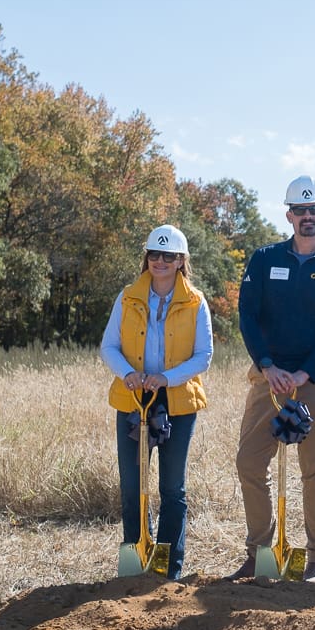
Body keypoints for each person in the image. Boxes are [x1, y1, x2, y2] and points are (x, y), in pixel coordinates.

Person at [226, 175, 315, 584]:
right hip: (269, 376)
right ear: (289, 215)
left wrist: (305, 372)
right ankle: (260, 555)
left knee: (314, 469)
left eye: (314, 209)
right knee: (250, 462)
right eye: (300, 210)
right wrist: (268, 366)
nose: (307, 216)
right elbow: (248, 315)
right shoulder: (264, 259)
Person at [100, 224, 213, 581]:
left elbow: (204, 356)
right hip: (133, 397)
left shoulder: (196, 301)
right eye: (154, 254)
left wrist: (166, 378)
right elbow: (108, 346)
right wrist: (127, 374)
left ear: (181, 261)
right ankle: (137, 559)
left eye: (168, 255)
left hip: (177, 400)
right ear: (146, 257)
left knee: (171, 488)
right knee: (132, 485)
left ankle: (168, 570)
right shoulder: (127, 297)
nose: (159, 261)